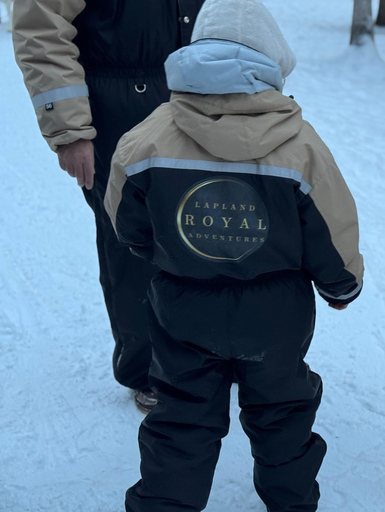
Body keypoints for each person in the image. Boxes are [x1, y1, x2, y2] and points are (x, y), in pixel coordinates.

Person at [105, 0, 364, 510]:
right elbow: (332, 228)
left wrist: (162, 253)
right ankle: (291, 502)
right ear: (272, 63)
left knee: (181, 415)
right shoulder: (301, 146)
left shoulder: (148, 138)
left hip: (183, 306)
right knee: (283, 411)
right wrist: (340, 285)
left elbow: (126, 220)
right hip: (276, 313)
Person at [12, 0, 205, 412]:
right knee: (135, 245)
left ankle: (211, 355)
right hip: (119, 112)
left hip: (205, 103)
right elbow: (40, 26)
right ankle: (153, 370)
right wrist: (70, 129)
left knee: (206, 232)